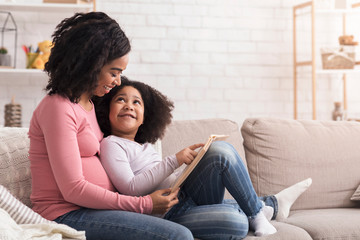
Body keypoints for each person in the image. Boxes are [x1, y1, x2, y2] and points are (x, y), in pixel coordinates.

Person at [28, 12, 194, 240]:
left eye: (120, 74)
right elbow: (73, 188)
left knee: (218, 224)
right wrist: (143, 204)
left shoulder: (90, 104)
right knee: (179, 236)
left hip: (98, 209)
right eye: (114, 73)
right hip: (65, 213)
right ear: (90, 65)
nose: (117, 81)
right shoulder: (58, 107)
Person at [95, 77, 313, 239]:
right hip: (166, 214)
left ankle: (257, 214)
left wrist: (189, 167)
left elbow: (159, 177)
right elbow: (130, 188)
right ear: (107, 110)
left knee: (219, 151)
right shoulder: (111, 144)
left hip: (186, 194)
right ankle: (268, 207)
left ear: (144, 117)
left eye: (136, 102)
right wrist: (174, 160)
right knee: (235, 224)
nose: (129, 106)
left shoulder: (144, 146)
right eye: (120, 100)